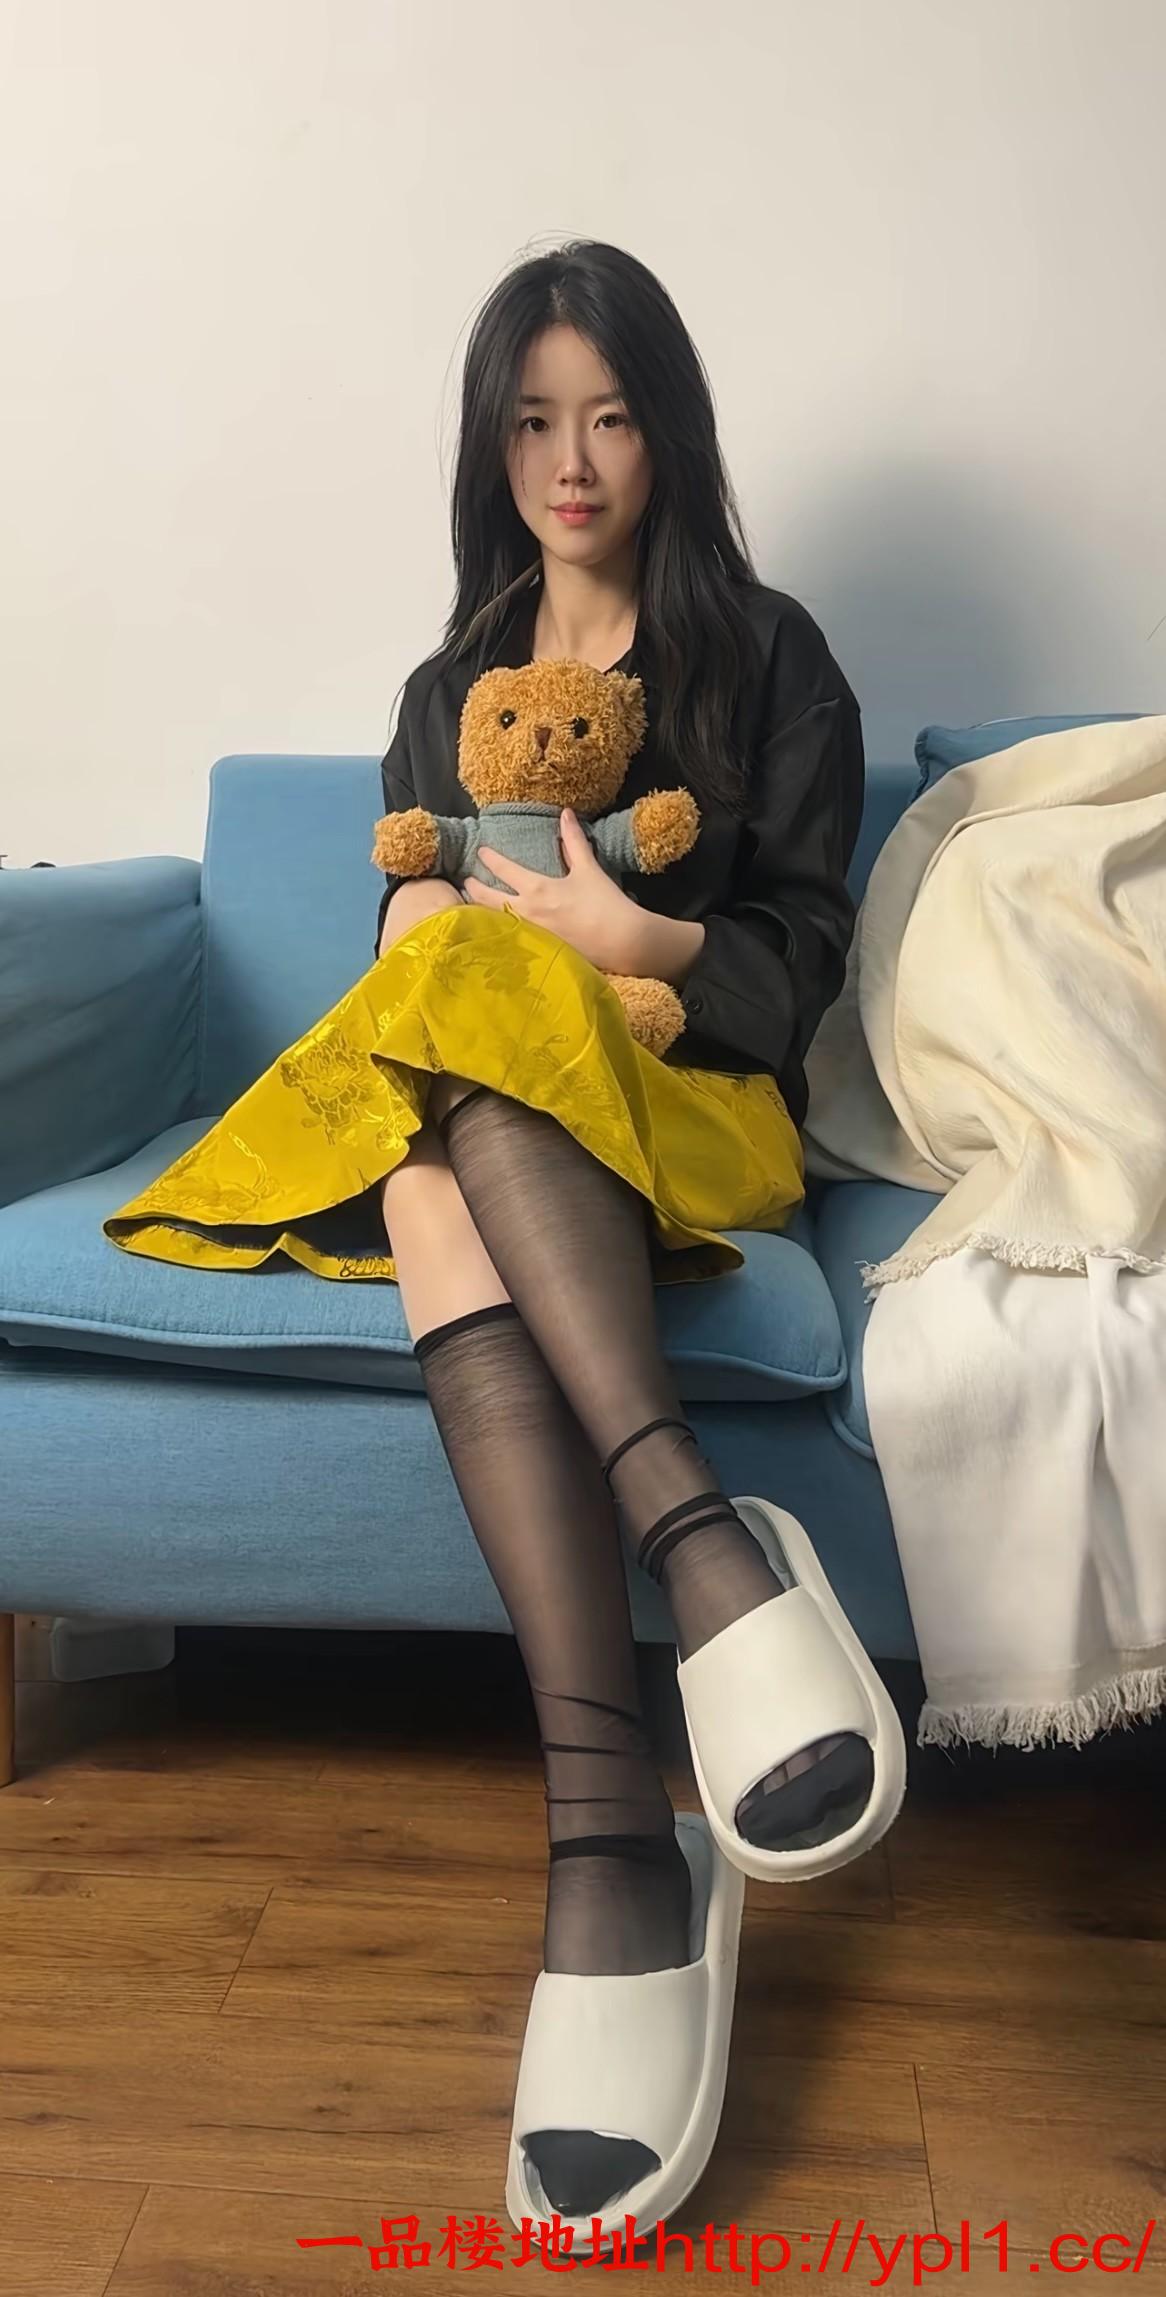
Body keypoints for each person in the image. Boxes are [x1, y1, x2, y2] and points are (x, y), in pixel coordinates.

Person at [105, 239, 898, 2227]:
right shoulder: (444, 690)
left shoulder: (769, 655)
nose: (573, 462)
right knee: (432, 1128)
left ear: (666, 432)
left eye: (610, 417)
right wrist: (413, 924)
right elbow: (411, 925)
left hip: (695, 1113)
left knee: (455, 1069)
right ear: (492, 444)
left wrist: (643, 937)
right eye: (535, 421)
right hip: (501, 1125)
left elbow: (802, 966)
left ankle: (619, 1826)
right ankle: (648, 1710)